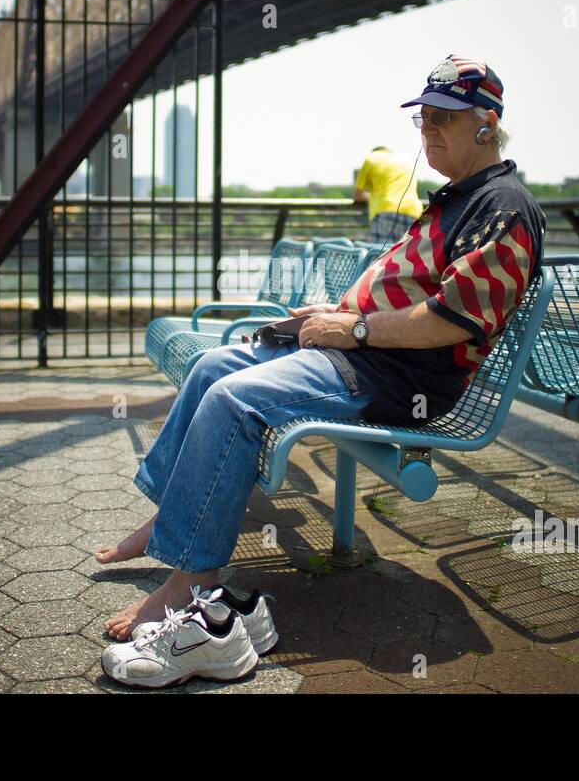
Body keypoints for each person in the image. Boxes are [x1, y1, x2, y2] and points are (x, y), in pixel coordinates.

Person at [94, 54, 547, 679]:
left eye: (445, 117)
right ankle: (173, 520)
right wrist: (335, 313)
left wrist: (353, 328)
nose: (429, 130)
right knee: (215, 366)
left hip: (397, 376)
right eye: (424, 118)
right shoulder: (458, 199)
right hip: (358, 348)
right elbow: (406, 288)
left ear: (487, 124)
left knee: (236, 399)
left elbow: (451, 320)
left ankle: (190, 581)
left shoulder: (504, 209)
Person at [352, 145, 424, 245]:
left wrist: (373, 196)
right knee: (404, 255)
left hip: (386, 210)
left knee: (380, 255)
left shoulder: (371, 159)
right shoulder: (405, 160)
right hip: (414, 212)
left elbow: (358, 196)